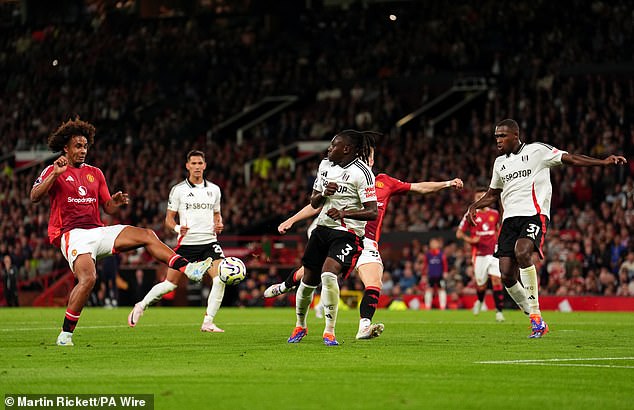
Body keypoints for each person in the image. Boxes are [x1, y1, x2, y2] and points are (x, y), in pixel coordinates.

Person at [30, 118, 213, 346]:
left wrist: (114, 202)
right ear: (66, 148)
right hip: (72, 234)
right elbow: (34, 196)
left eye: (85, 146)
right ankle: (66, 335)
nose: (83, 150)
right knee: (88, 278)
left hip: (98, 231)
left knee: (147, 234)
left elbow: (107, 207)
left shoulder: (95, 173)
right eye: (78, 146)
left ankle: (189, 268)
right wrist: (55, 174)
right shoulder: (53, 169)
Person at [267, 137, 463, 339]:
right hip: (339, 235)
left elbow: (418, 187)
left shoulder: (384, 182)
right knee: (311, 272)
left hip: (367, 242)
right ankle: (286, 286)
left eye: (371, 156)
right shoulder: (341, 176)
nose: (370, 160)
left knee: (374, 281)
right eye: (367, 156)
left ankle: (364, 327)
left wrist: (447, 183)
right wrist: (291, 220)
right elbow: (315, 204)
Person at [466, 118, 627, 338]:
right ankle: (533, 313)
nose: (498, 140)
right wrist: (475, 206)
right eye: (496, 136)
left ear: (515, 135)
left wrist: (603, 162)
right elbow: (493, 193)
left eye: (502, 136)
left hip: (533, 214)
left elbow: (570, 158)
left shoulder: (537, 151)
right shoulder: (499, 163)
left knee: (522, 252)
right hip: (510, 220)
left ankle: (535, 316)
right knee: (506, 275)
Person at [287, 130, 378, 346]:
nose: (329, 149)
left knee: (329, 273)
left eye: (333, 145)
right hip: (322, 229)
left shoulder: (362, 173)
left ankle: (329, 331)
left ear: (346, 149)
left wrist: (344, 213)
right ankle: (300, 325)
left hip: (347, 234)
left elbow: (372, 211)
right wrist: (324, 193)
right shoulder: (324, 166)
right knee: (308, 280)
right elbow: (314, 201)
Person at [128, 150, 228, 333]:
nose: (197, 167)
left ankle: (208, 322)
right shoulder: (178, 190)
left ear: (205, 165)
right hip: (187, 243)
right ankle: (141, 305)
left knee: (220, 279)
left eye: (200, 163)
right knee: (170, 284)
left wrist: (219, 223)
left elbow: (216, 214)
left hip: (209, 242)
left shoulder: (214, 190)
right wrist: (176, 228)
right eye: (194, 164)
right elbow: (168, 219)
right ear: (187, 166)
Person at [457, 188, 509, 322]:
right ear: (475, 200)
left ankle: (499, 312)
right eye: (478, 197)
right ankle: (480, 301)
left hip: (493, 252)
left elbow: (499, 229)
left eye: (483, 196)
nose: (480, 199)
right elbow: (459, 233)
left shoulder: (495, 213)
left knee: (496, 280)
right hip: (479, 254)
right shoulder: (470, 214)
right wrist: (470, 240)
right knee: (481, 285)